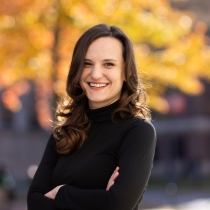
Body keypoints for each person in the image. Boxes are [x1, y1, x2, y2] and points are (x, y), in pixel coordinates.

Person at [27, 24, 156, 210]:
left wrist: (61, 193)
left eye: (108, 64)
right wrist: (99, 199)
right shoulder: (63, 133)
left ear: (126, 73)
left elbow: (118, 204)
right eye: (87, 63)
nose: (95, 74)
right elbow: (34, 201)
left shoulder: (138, 132)